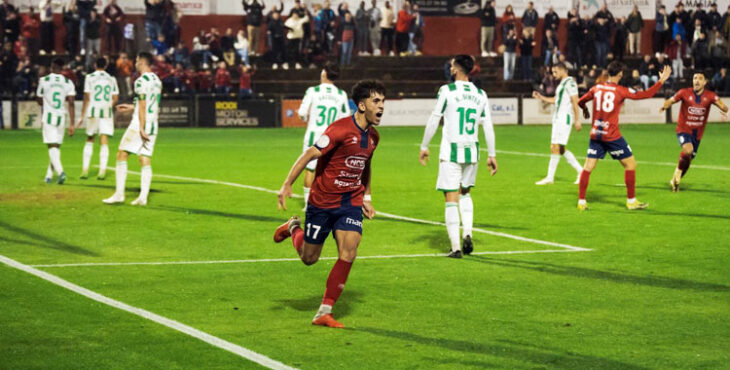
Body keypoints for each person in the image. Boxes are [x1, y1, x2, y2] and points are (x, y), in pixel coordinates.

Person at [273, 80, 385, 328]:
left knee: (350, 251)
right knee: (309, 258)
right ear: (362, 104)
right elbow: (310, 153)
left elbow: (365, 166)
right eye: (376, 101)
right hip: (322, 202)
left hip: (350, 202)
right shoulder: (340, 129)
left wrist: (366, 197)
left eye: (383, 102)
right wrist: (287, 183)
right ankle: (293, 226)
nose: (381, 106)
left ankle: (324, 311)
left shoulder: (374, 137)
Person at [419, 55, 497, 258]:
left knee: (451, 198)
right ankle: (468, 233)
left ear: (455, 70)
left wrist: (425, 145)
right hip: (473, 151)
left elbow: (434, 119)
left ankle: (455, 247)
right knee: (466, 194)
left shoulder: (447, 91)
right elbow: (487, 126)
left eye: (452, 65)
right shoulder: (481, 94)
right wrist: (492, 154)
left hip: (451, 151)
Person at [576, 62, 672, 211]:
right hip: (612, 136)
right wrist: (661, 81)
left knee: (588, 167)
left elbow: (580, 101)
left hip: (596, 134)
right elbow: (645, 94)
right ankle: (631, 201)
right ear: (620, 74)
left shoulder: (596, 88)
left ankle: (581, 202)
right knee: (631, 165)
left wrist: (584, 109)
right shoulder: (621, 91)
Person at [103, 52, 162, 206]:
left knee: (121, 154)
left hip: (139, 124)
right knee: (144, 158)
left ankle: (119, 194)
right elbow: (149, 103)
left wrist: (141, 128)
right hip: (153, 123)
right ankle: (143, 197)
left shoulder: (140, 81)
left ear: (142, 62)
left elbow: (143, 105)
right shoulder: (157, 80)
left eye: (136, 61)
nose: (134, 63)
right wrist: (131, 107)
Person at [659, 73, 728, 192]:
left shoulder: (710, 96)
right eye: (695, 78)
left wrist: (724, 110)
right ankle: (677, 175)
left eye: (700, 79)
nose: (696, 81)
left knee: (688, 161)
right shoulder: (684, 92)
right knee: (688, 150)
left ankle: (675, 179)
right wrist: (665, 106)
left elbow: (723, 105)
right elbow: (670, 100)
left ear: (705, 82)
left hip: (698, 135)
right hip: (683, 130)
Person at [296, 61, 351, 210]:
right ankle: (331, 202)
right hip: (332, 137)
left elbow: (301, 114)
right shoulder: (341, 94)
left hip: (314, 136)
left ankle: (309, 204)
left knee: (310, 169)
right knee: (331, 170)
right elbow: (345, 117)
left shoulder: (312, 91)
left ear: (324, 73)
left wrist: (304, 117)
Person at [532, 62, 583, 185]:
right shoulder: (562, 84)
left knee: (557, 147)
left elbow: (575, 101)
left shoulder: (570, 83)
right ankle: (579, 171)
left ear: (563, 70)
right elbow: (555, 100)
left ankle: (552, 177)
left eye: (555, 72)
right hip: (557, 118)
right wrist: (541, 97)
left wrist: (577, 119)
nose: (553, 75)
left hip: (564, 119)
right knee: (556, 148)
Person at [76, 57, 119, 180]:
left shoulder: (89, 78)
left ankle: (85, 170)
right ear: (106, 66)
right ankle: (102, 171)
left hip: (93, 111)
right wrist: (107, 107)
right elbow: (115, 98)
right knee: (104, 140)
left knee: (90, 139)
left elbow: (87, 98)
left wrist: (82, 116)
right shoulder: (111, 79)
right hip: (105, 112)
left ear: (95, 65)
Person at [36, 58, 76, 185]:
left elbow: (39, 99)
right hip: (61, 117)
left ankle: (60, 172)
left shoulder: (44, 80)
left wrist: (47, 103)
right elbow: (71, 103)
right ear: (62, 68)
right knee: (56, 148)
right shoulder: (68, 82)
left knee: (51, 146)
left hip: (49, 116)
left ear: (52, 67)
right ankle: (48, 175)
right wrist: (72, 124)